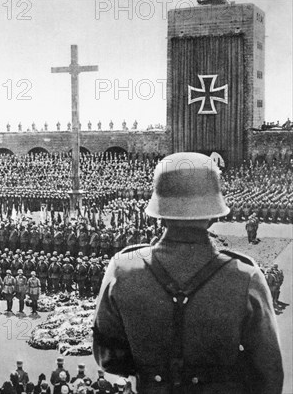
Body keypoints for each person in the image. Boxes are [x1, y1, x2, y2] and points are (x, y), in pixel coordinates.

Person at [93, 152, 283, 393]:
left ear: (158, 212)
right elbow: (269, 373)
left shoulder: (122, 268)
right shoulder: (245, 275)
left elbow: (107, 357)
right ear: (215, 214)